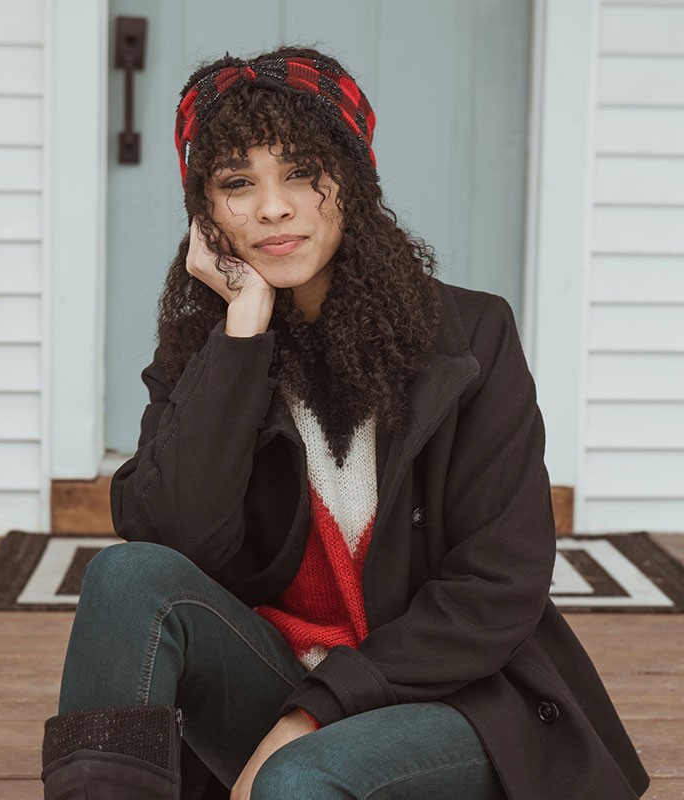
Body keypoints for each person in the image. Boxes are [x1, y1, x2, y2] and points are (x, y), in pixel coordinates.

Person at [40, 46, 649, 800]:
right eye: (238, 184)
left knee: (299, 777)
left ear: (352, 183)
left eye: (300, 173)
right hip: (281, 681)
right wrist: (243, 337)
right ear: (207, 215)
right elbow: (175, 539)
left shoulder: (471, 334)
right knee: (126, 577)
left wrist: (312, 715)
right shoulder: (212, 349)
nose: (271, 208)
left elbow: (499, 584)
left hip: (450, 701)